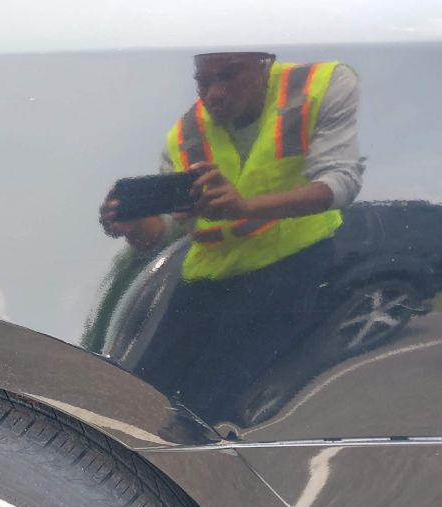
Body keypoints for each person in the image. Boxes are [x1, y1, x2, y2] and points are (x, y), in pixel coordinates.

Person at [96, 52, 364, 424]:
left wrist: (245, 206)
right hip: (206, 272)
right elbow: (166, 231)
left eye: (228, 76)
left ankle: (194, 467)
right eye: (203, 82)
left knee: (212, 401)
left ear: (263, 63)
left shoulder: (321, 85)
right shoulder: (183, 133)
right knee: (144, 389)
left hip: (288, 264)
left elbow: (341, 182)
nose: (214, 93)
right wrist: (135, 226)